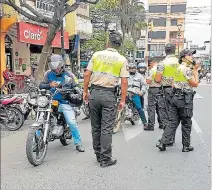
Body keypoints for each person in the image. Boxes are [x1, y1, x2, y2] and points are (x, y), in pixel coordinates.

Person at [83, 31, 129, 168]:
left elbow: (87, 74)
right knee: (106, 128)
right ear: (119, 45)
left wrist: (85, 91)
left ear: (108, 43)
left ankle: (98, 154)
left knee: (95, 126)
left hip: (94, 93)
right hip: (109, 95)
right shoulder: (122, 59)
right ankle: (105, 159)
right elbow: (124, 82)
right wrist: (122, 100)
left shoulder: (96, 55)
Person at [39, 54, 85, 152]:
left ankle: (78, 143)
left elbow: (76, 84)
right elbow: (41, 85)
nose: (56, 71)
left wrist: (76, 88)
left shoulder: (69, 75)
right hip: (51, 101)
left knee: (72, 122)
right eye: (54, 69)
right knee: (40, 119)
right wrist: (49, 85)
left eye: (58, 68)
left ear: (62, 66)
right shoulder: (48, 74)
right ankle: (36, 142)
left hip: (64, 101)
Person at [157, 49, 199, 152]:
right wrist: (195, 72)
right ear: (184, 57)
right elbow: (195, 84)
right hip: (185, 99)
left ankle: (163, 142)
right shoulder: (187, 69)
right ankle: (186, 146)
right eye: (189, 55)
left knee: (172, 122)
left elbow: (173, 83)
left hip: (175, 97)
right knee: (186, 122)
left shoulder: (177, 68)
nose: (191, 56)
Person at [154, 43, 179, 146]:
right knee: (175, 115)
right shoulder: (180, 62)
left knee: (165, 114)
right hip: (179, 91)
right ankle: (170, 138)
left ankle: (167, 138)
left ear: (165, 51)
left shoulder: (162, 63)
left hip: (166, 91)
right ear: (175, 50)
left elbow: (157, 79)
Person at [146, 57, 165, 130]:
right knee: (160, 107)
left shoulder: (152, 70)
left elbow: (148, 81)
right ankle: (162, 124)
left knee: (151, 108)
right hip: (161, 89)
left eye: (149, 65)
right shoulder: (162, 69)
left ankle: (151, 125)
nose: (149, 66)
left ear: (151, 63)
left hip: (153, 89)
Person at [128, 63, 148, 129]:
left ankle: (145, 123)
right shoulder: (125, 75)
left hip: (135, 93)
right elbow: (119, 82)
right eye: (130, 68)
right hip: (125, 92)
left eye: (133, 68)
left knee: (139, 108)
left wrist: (142, 92)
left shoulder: (140, 76)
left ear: (136, 68)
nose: (132, 70)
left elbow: (144, 85)